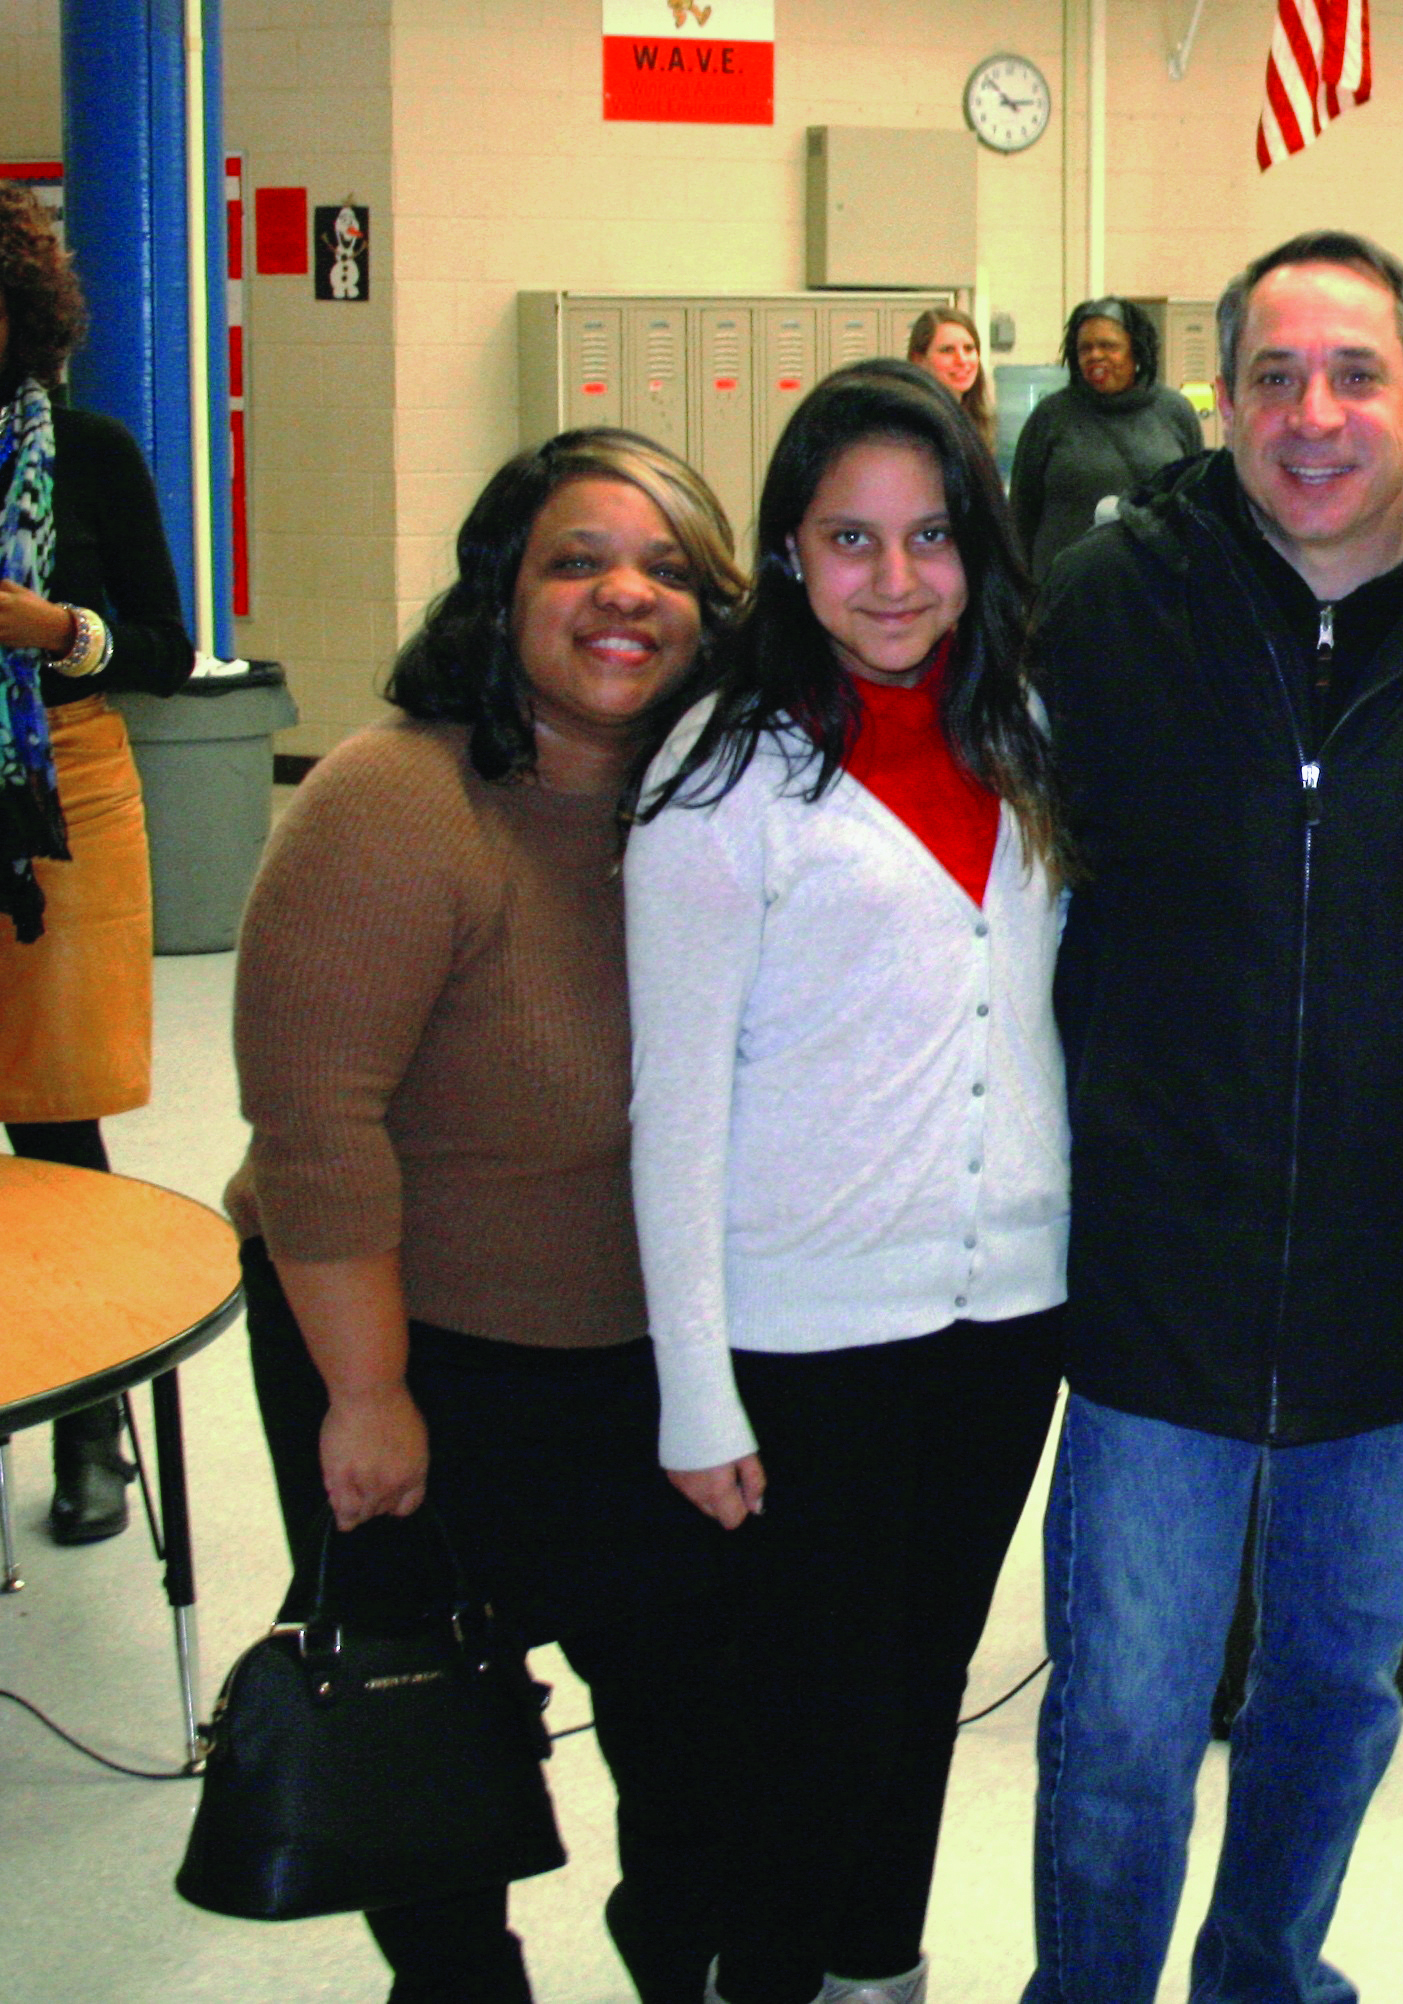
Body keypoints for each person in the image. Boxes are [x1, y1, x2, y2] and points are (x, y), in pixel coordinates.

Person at [1023, 229, 1403, 2004]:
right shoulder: (1111, 604)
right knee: (1125, 1718)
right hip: (1156, 1269)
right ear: (1220, 402)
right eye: (1273, 377)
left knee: (1337, 1694)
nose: (1313, 414)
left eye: (1355, 375)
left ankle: (1265, 1975)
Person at [230, 429, 747, 2004]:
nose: (624, 595)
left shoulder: (718, 807)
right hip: (407, 1342)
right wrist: (369, 1393)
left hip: (641, 1362)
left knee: (700, 1726)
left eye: (666, 569)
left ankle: (685, 1958)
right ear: (500, 593)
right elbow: (315, 1131)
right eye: (577, 561)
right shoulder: (395, 802)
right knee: (429, 1723)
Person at [626, 359, 1067, 2004]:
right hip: (807, 1333)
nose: (895, 578)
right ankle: (771, 1974)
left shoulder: (1020, 734)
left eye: (930, 535)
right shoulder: (718, 775)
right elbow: (673, 1107)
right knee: (812, 1713)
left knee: (924, 1679)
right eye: (850, 538)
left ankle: (880, 1969)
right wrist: (694, 1389)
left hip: (1007, 1315)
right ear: (789, 554)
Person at [0, 180, 196, 1546]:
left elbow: (167, 648)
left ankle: (89, 1424)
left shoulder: (91, 452)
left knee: (53, 1113)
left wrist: (55, 629)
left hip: (63, 780)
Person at [1007, 296, 1204, 579]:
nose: (1095, 355)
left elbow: (1195, 504)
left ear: (1136, 350)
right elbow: (1021, 514)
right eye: (1085, 348)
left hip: (1154, 586)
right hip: (1067, 587)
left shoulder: (1175, 411)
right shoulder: (1051, 415)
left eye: (1109, 346)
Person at [909, 305, 998, 456]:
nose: (962, 360)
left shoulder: (977, 422)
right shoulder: (912, 426)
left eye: (969, 348)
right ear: (918, 360)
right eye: (948, 350)